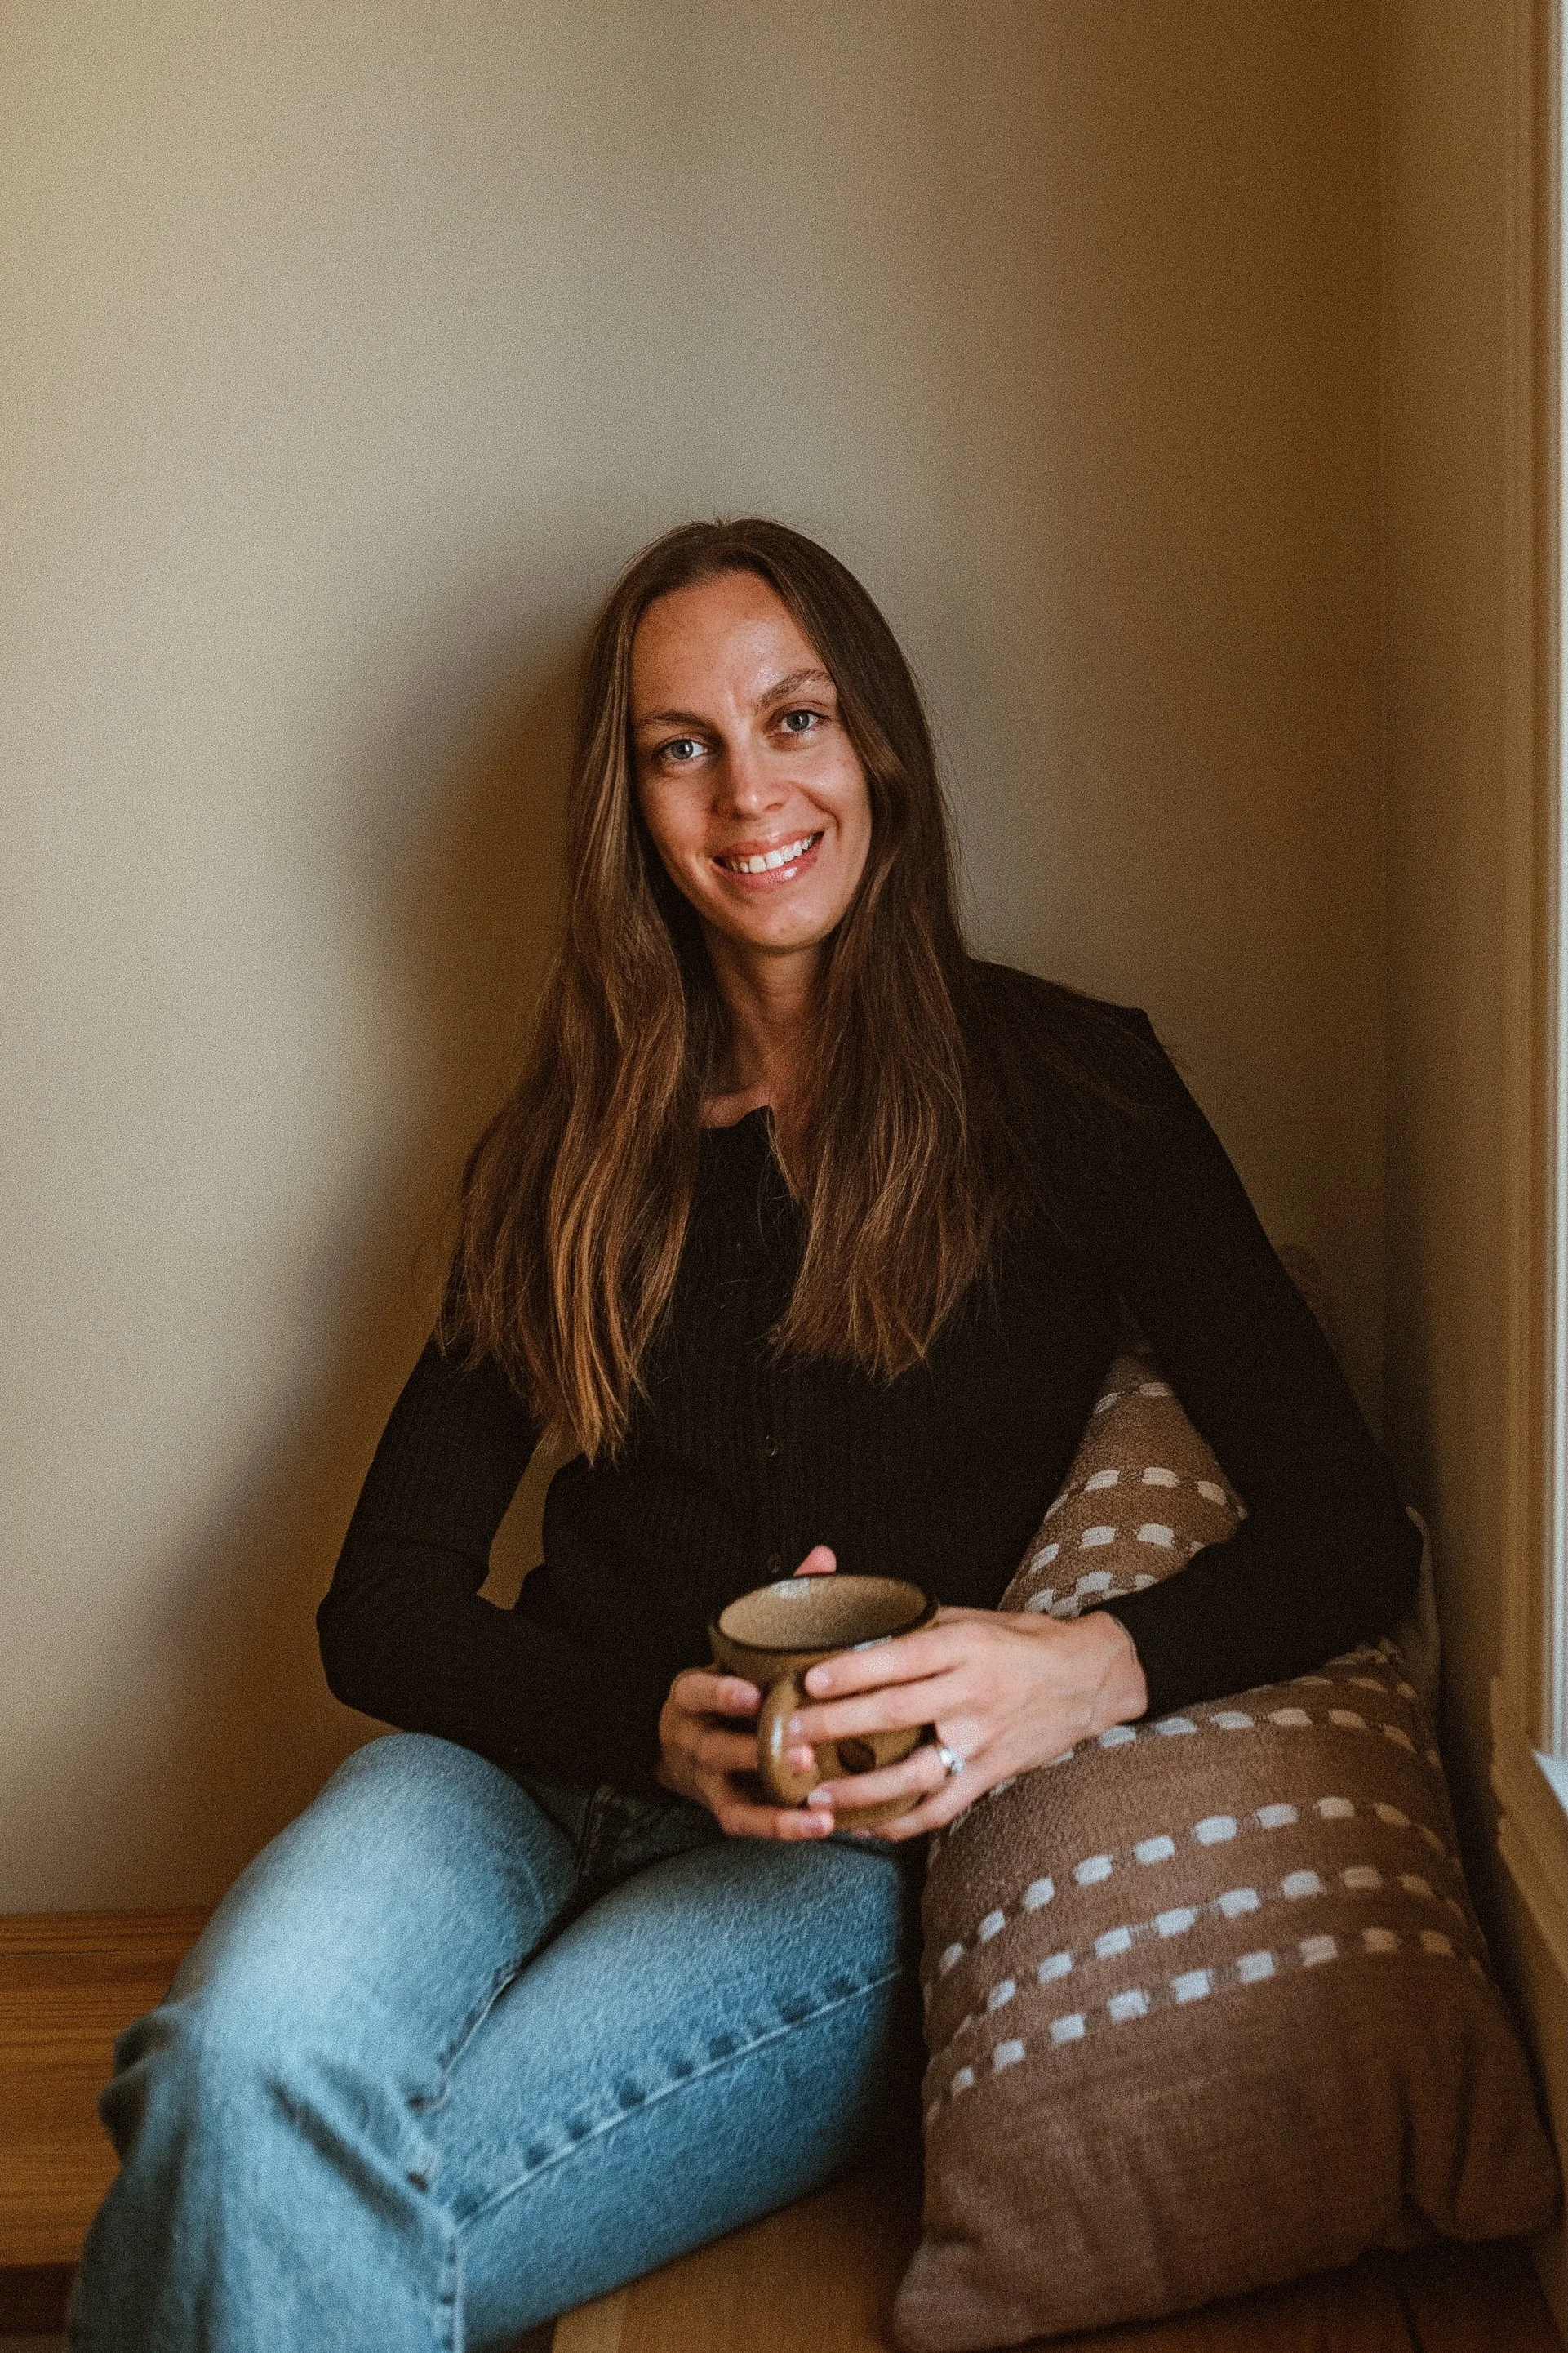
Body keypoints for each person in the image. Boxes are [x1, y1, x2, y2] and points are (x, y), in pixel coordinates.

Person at [70, 519, 1421, 2352]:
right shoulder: (569, 1142)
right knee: (231, 2072)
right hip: (502, 1781)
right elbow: (379, 1605)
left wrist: (1078, 1672)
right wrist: (645, 1720)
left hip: (822, 1871)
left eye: (795, 718)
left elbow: (1349, 1531)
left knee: (289, 2199)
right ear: (628, 806)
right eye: (679, 746)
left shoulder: (1075, 1091)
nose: (747, 793)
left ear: (879, 749)